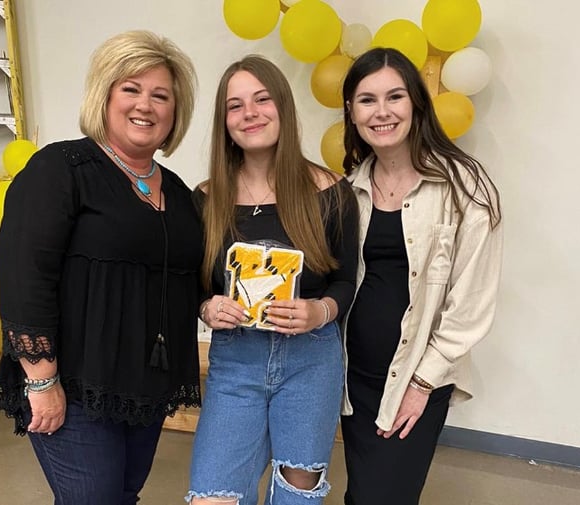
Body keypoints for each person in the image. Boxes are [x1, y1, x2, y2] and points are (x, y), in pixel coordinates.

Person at [0, 30, 203, 505]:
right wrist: (42, 382)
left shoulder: (183, 195)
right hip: (72, 383)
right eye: (131, 89)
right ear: (104, 95)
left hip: (142, 389)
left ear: (175, 110)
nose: (145, 104)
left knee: (123, 494)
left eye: (160, 95)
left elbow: (196, 278)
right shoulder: (62, 168)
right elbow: (26, 277)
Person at [186, 55, 359, 505]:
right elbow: (194, 283)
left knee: (298, 492)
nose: (250, 113)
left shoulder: (331, 191)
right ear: (225, 121)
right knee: (212, 495)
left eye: (262, 99)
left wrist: (319, 310)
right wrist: (208, 307)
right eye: (235, 105)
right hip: (235, 362)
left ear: (283, 105)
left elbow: (345, 281)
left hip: (311, 362)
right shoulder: (205, 199)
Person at [339, 47, 503, 505]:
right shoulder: (348, 189)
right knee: (362, 491)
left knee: (382, 496)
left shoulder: (466, 186)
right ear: (351, 113)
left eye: (395, 96)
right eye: (367, 100)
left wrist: (422, 384)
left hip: (415, 378)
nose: (382, 111)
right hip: (354, 377)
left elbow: (471, 303)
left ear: (416, 103)